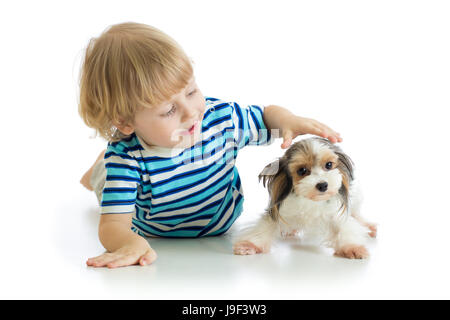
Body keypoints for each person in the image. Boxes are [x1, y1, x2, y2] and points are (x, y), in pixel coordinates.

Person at [78, 22, 342, 268]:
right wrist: (129, 242)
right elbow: (112, 223)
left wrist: (288, 120)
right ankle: (99, 169)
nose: (191, 112)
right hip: (154, 229)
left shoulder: (221, 121)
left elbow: (265, 115)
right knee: (109, 178)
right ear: (125, 122)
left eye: (191, 92)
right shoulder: (127, 160)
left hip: (222, 220)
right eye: (169, 110)